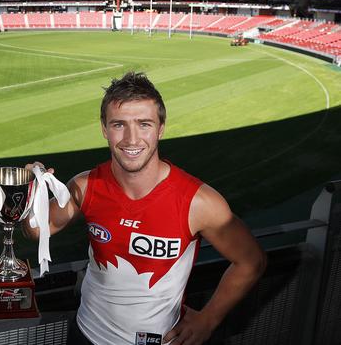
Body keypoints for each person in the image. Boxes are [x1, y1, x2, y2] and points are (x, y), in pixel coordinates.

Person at [21, 72, 266, 345]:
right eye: (119, 125)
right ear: (104, 129)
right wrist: (32, 192)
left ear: (161, 128)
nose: (131, 139)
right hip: (85, 335)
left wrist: (209, 319)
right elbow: (36, 231)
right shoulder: (86, 185)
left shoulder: (199, 202)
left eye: (144, 124)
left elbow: (251, 261)